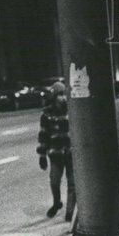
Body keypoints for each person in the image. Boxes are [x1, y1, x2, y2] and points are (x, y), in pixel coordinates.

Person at [36, 81, 75, 220]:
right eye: (59, 95)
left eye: (64, 94)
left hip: (71, 153)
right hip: (55, 153)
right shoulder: (47, 113)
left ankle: (70, 211)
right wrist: (42, 154)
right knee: (54, 181)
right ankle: (57, 202)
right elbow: (43, 134)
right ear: (54, 97)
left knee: (72, 183)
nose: (63, 98)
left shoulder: (73, 110)